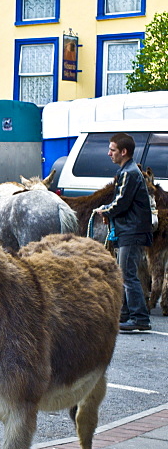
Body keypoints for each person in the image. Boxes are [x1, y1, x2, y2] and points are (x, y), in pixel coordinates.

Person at [94, 132, 153, 332]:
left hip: (132, 231)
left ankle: (140, 317)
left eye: (112, 149)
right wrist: (109, 211)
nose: (108, 153)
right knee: (124, 273)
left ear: (124, 152)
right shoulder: (128, 171)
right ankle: (126, 313)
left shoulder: (129, 173)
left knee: (128, 274)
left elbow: (121, 202)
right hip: (129, 229)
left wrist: (105, 210)